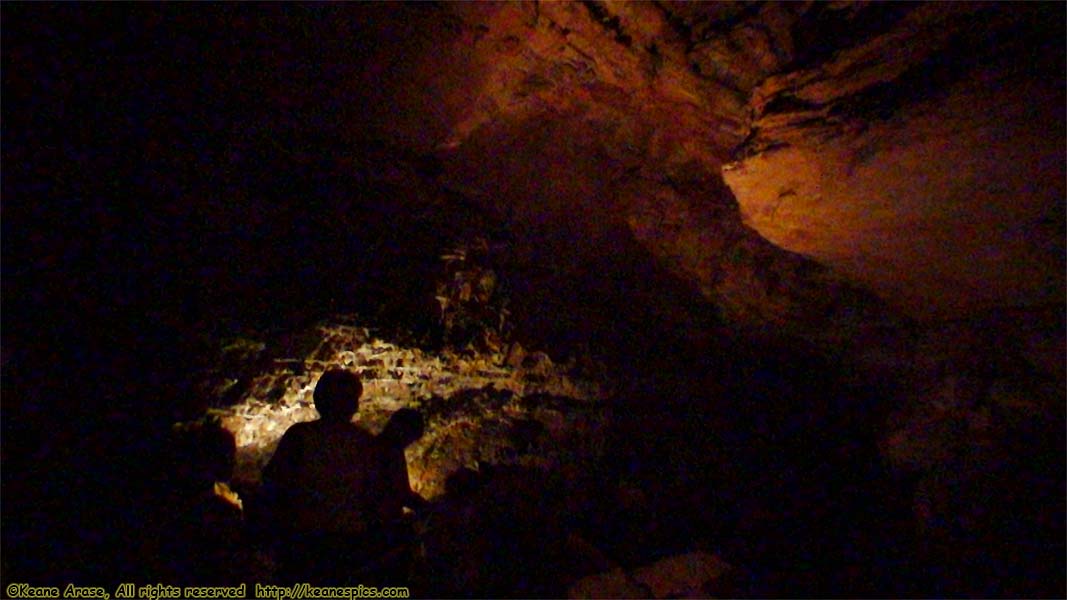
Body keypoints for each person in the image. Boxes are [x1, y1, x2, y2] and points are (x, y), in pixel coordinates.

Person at [262, 368, 384, 584]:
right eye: (352, 399)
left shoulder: (300, 436)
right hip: (337, 538)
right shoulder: (363, 442)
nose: (355, 405)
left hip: (309, 536)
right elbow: (373, 493)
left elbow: (274, 480)